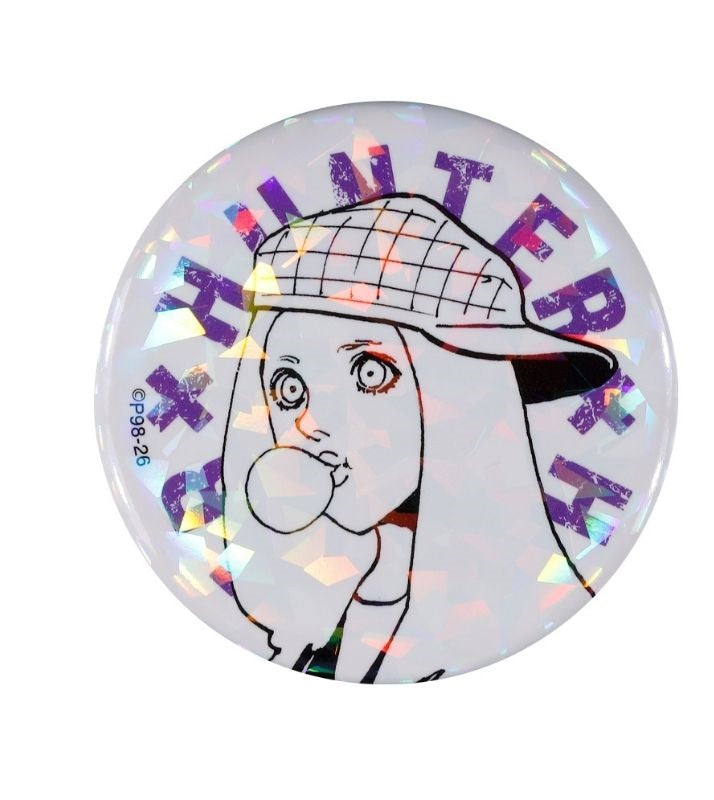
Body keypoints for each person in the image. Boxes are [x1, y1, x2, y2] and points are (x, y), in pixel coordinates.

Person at [220, 193, 616, 682]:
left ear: (461, 398)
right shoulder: (317, 632)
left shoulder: (526, 633)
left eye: (369, 373)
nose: (310, 425)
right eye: (289, 388)